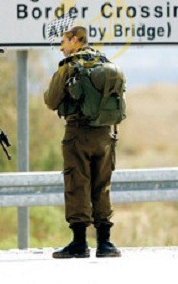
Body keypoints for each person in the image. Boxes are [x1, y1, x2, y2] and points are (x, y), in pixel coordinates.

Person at [43, 25, 122, 258]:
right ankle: (105, 243)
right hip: (105, 134)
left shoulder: (69, 66)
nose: (61, 48)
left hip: (78, 133)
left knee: (77, 184)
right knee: (102, 185)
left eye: (64, 42)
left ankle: (79, 243)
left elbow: (51, 100)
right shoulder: (105, 63)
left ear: (75, 40)